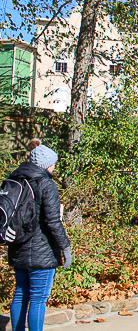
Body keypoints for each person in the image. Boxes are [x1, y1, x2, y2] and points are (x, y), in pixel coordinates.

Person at [9, 138, 71, 331]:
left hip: (18, 246)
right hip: (41, 250)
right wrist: (65, 247)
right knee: (38, 297)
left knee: (20, 293)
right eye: (53, 163)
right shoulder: (46, 184)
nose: (54, 167)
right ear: (46, 165)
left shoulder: (15, 179)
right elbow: (52, 221)